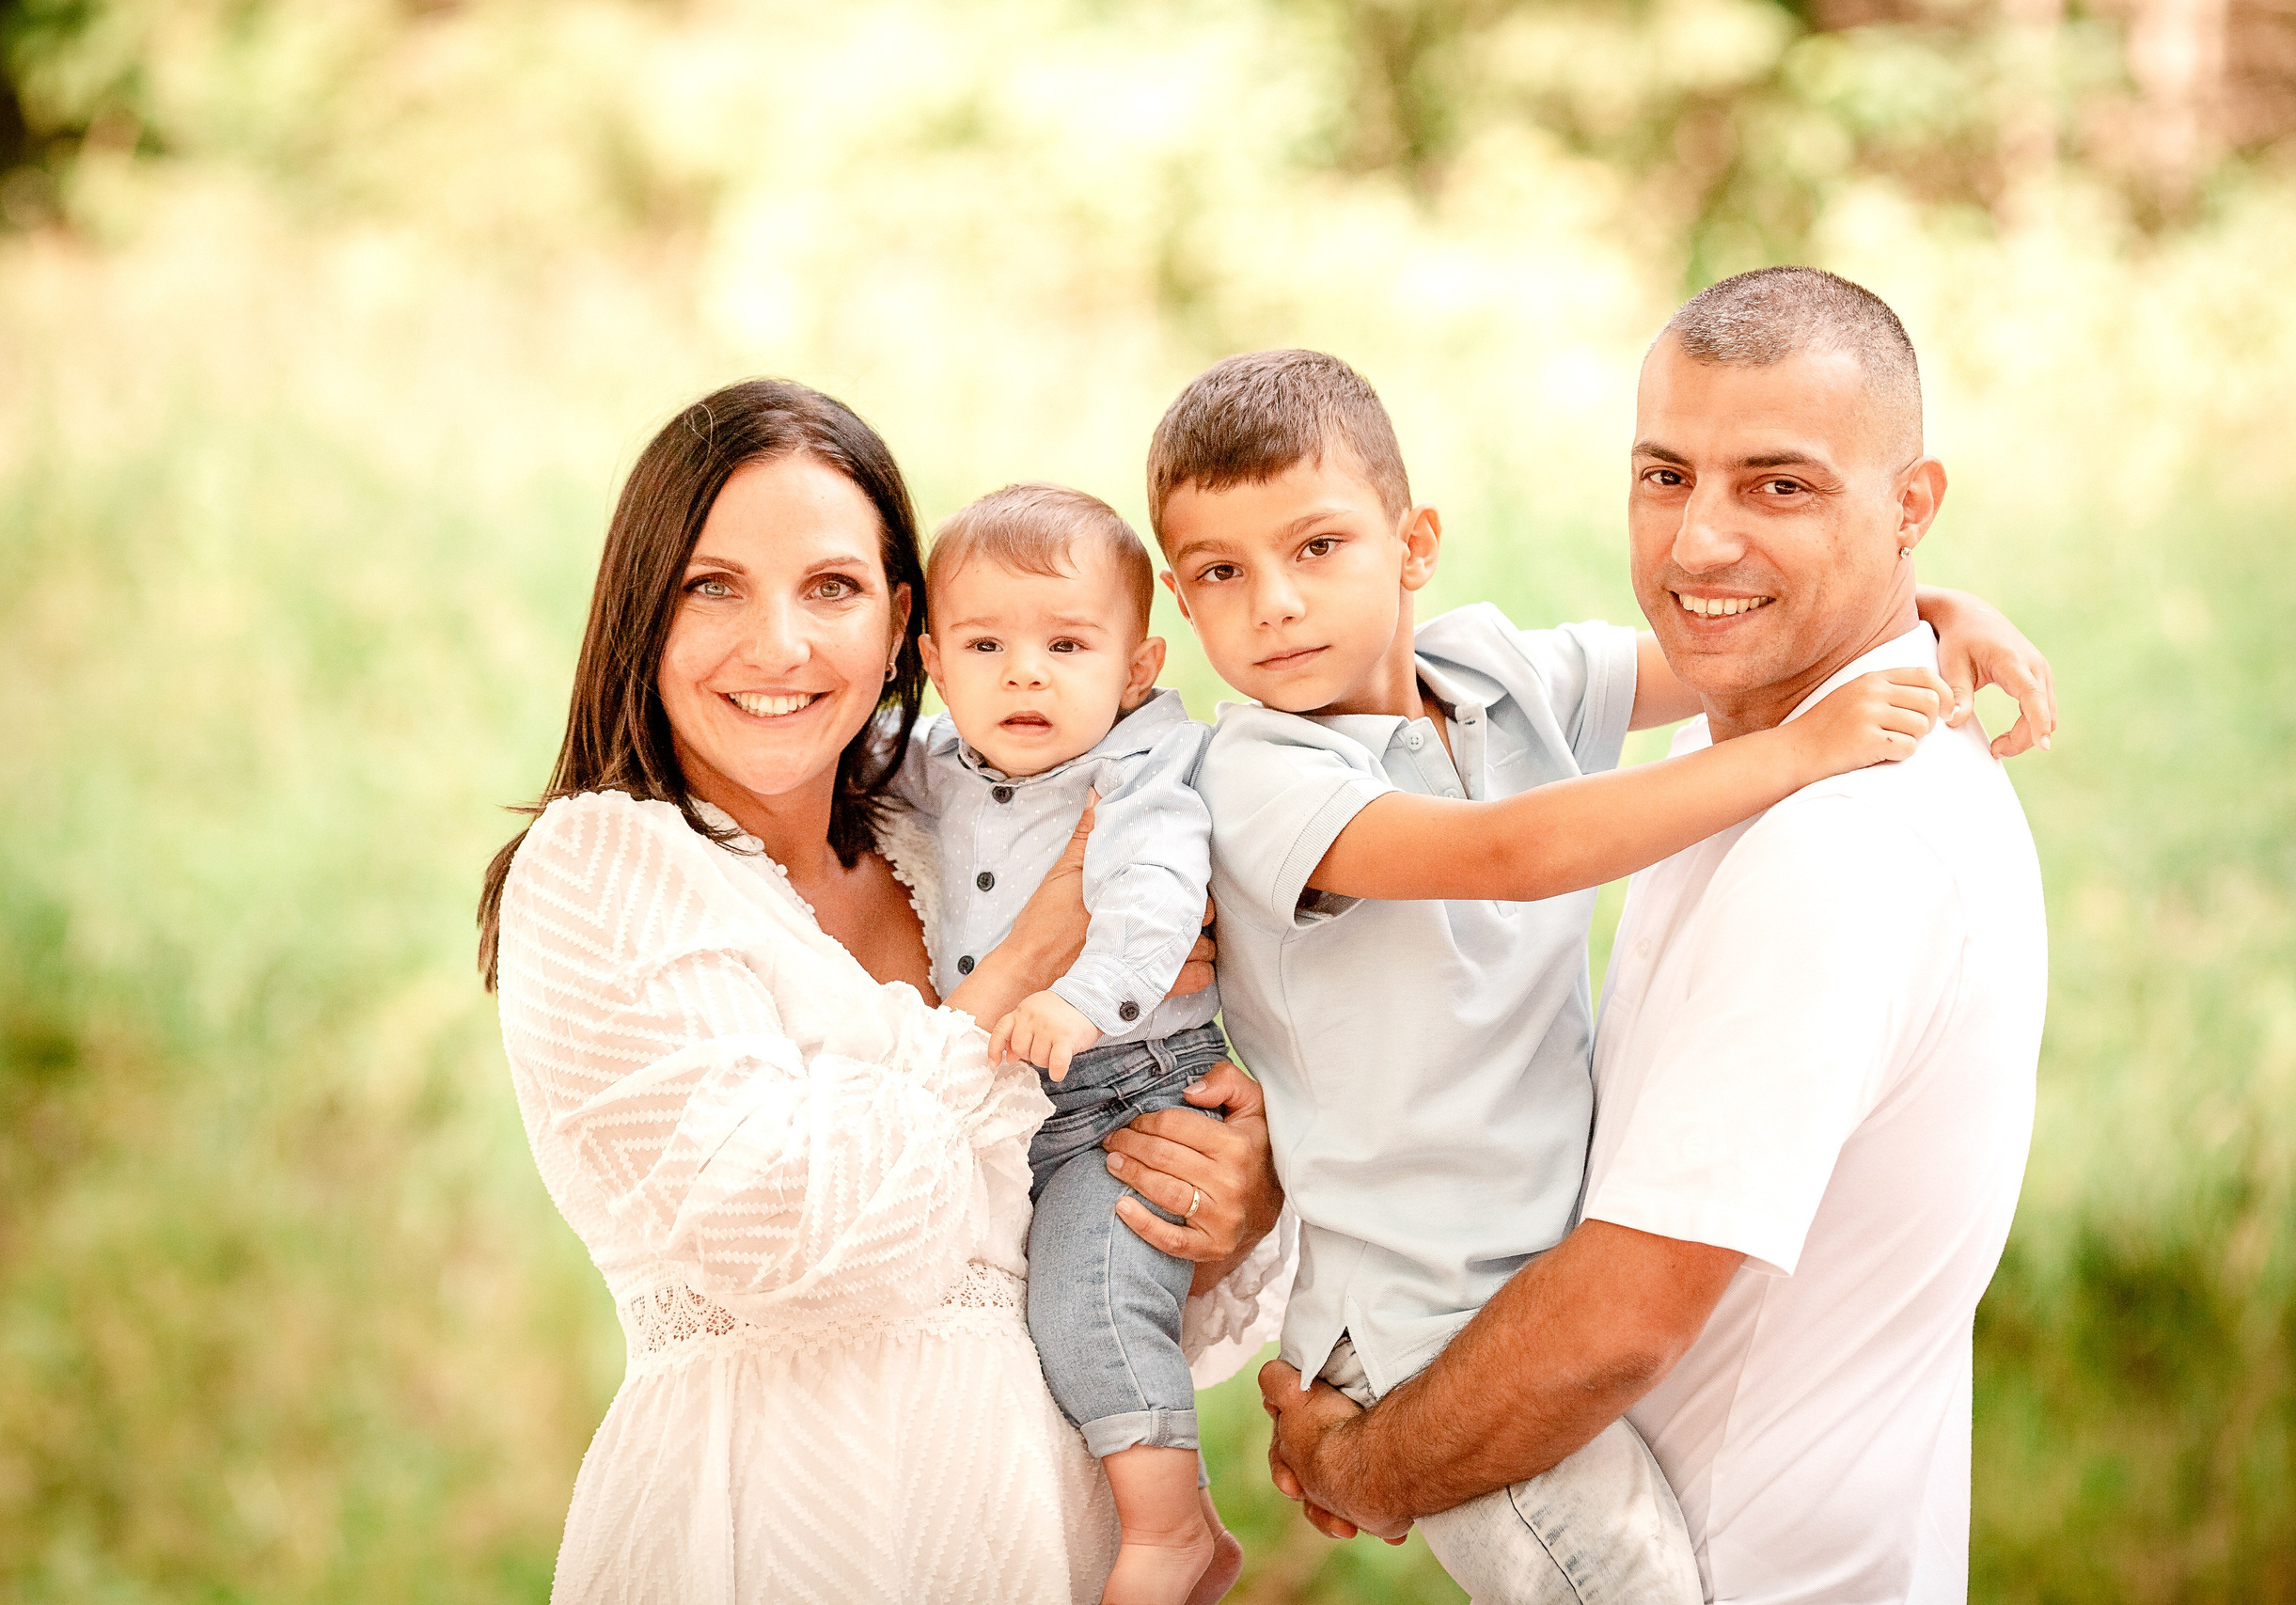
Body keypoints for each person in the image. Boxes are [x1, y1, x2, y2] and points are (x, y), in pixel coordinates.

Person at [1146, 345, 2052, 1601]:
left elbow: (1740, 642)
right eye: (1219, 574)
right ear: (1179, 603)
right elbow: (1509, 853)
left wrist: (1939, 607)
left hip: (1528, 1283)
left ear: (1413, 544)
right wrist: (1792, 754)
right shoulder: (1258, 776)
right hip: (1421, 1313)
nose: (1275, 606)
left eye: (1316, 549)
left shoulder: (1494, 672)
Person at [474, 379, 1288, 1605]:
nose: (781, 645)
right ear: (642, 610)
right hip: (775, 1529)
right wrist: (1018, 971)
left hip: (1043, 1528)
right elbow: (795, 1233)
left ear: (907, 621)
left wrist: (1232, 1193)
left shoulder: (959, 817)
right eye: (714, 586)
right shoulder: (610, 868)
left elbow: (1055, 1266)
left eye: (833, 586)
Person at [900, 482, 1231, 1605]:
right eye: (986, 644)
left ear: (1135, 667)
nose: (1024, 674)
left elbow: (1154, 903)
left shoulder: (1139, 773)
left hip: (1132, 1091)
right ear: (935, 662)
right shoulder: (934, 761)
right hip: (1025, 1101)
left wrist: (1082, 998)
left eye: (1066, 644)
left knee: (1087, 1298)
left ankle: (1169, 1528)